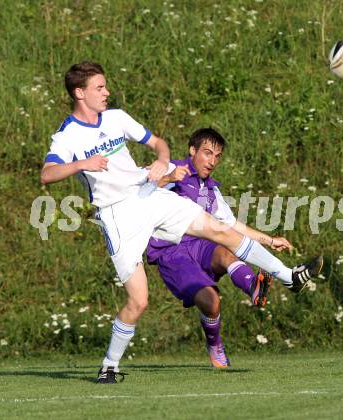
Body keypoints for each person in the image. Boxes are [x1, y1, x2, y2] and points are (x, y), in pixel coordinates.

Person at [41, 61, 323, 384]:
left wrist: (162, 159)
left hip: (147, 195)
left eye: (105, 86)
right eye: (99, 88)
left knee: (220, 230)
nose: (107, 92)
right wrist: (82, 164)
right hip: (118, 216)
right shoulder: (67, 136)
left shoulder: (116, 118)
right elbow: (47, 174)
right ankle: (109, 365)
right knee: (139, 300)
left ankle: (289, 276)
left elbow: (157, 143)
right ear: (80, 93)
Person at [146, 128, 305, 368]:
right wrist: (168, 178)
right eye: (207, 153)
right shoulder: (172, 168)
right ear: (192, 151)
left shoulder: (211, 190)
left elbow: (232, 226)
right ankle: (215, 343)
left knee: (226, 247)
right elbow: (137, 190)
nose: (212, 161)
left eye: (217, 156)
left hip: (200, 245)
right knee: (212, 304)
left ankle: (253, 285)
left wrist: (271, 240)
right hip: (171, 253)